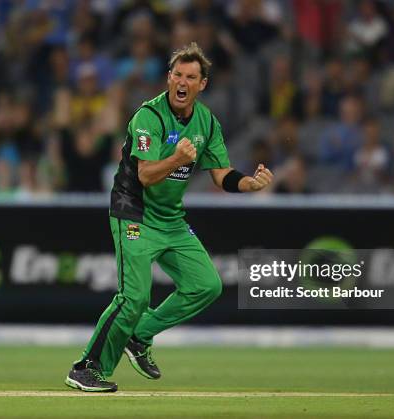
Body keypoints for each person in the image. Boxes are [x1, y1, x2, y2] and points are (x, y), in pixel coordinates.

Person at [64, 42, 273, 392]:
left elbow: (222, 175)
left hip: (171, 219)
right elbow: (145, 175)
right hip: (133, 211)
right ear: (168, 77)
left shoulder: (206, 121)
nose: (182, 81)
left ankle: (140, 335)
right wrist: (177, 159)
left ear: (202, 84)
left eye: (191, 77)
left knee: (206, 285)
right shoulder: (149, 116)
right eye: (177, 74)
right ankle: (86, 367)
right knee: (135, 297)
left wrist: (249, 184)